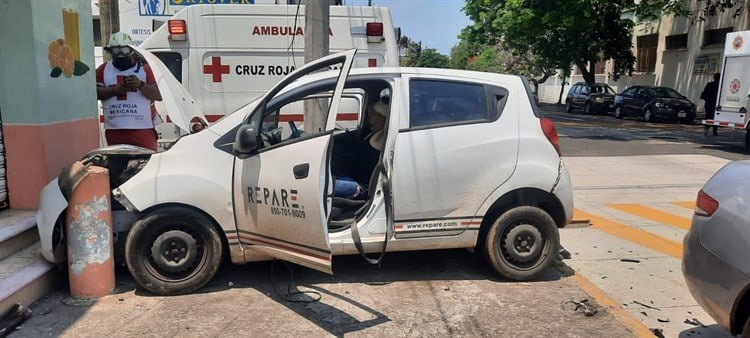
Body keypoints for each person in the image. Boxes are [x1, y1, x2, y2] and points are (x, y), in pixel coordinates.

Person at [96, 32, 162, 151]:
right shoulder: (103, 69)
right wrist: (114, 90)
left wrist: (140, 85)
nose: (121, 55)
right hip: (115, 131)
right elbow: (94, 93)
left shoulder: (145, 69)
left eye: (124, 50)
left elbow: (158, 95)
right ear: (111, 52)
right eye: (116, 51)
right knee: (116, 166)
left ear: (132, 50)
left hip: (143, 130)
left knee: (147, 164)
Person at [333, 99, 389, 199]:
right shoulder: (368, 133)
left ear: (382, 116)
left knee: (322, 186)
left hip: (360, 187)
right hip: (349, 178)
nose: (369, 116)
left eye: (373, 113)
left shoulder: (383, 136)